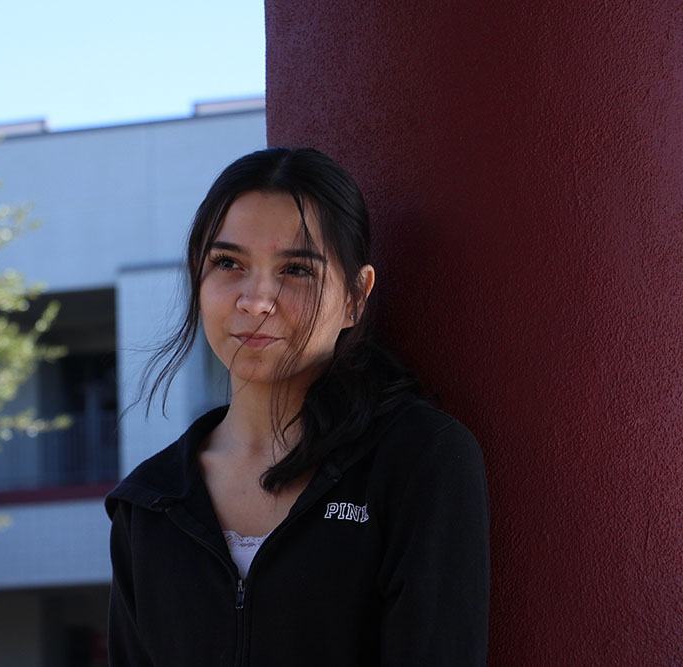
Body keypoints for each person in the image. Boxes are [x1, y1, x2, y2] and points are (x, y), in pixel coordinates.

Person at [105, 147, 490, 666]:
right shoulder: (149, 504)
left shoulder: (419, 460)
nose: (256, 299)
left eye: (297, 270)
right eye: (228, 263)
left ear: (356, 296)